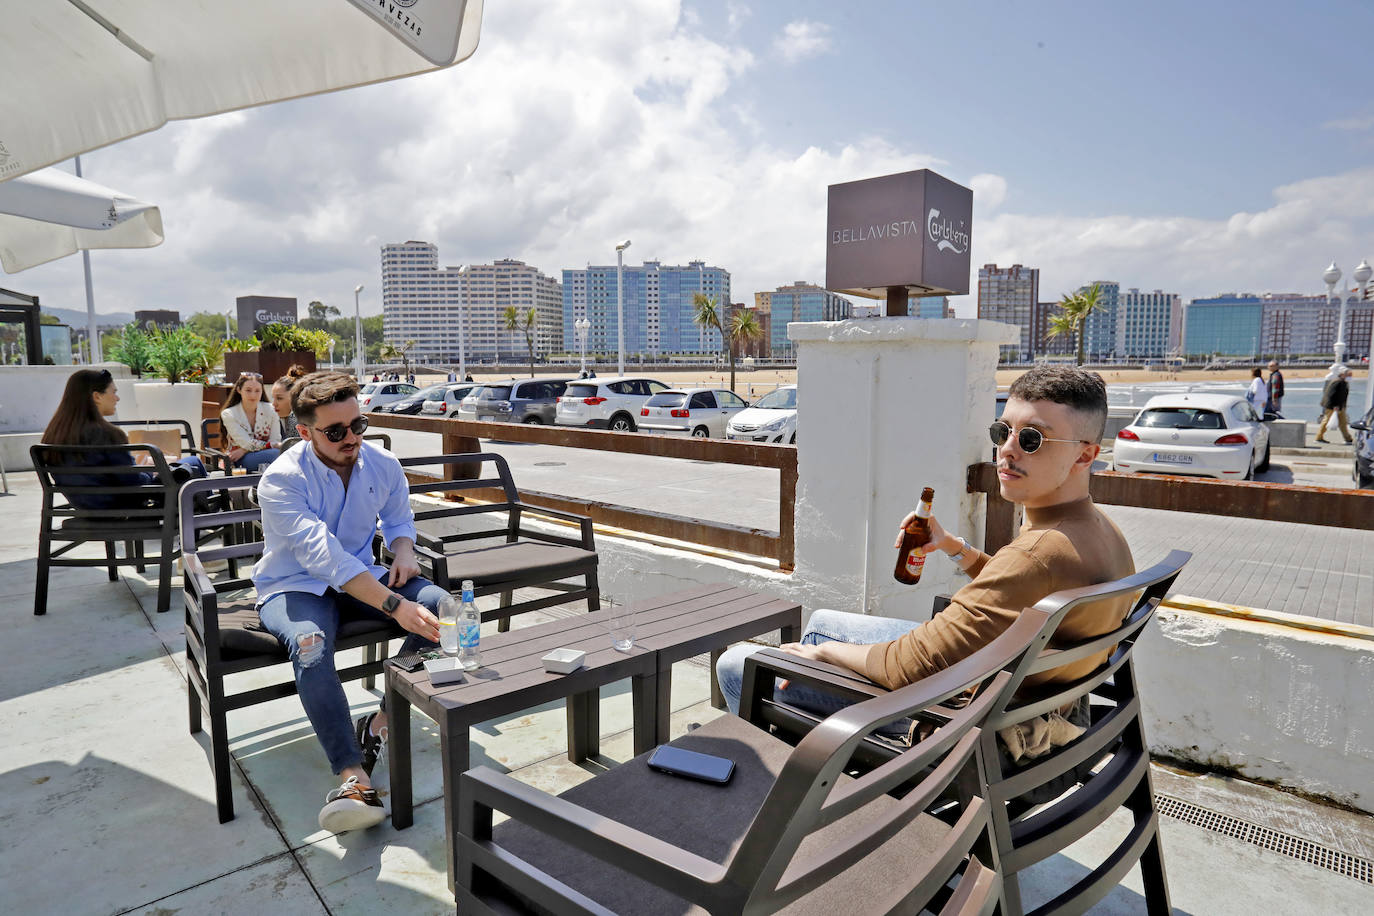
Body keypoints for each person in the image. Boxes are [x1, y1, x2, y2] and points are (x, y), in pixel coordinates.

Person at [717, 366, 1134, 761]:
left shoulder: (1039, 552)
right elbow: (1022, 590)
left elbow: (912, 665)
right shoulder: (1098, 532)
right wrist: (954, 547)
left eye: (1032, 440)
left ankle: (785, 791)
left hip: (958, 714)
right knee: (822, 619)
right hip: (1017, 693)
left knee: (741, 665)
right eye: (1002, 431)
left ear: (1085, 455)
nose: (1006, 450)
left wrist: (826, 654)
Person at [254, 371, 444, 833]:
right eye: (335, 431)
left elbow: (400, 518)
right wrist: (396, 606)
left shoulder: (381, 463)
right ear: (304, 432)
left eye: (357, 425)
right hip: (293, 585)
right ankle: (353, 776)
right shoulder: (281, 480)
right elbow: (325, 558)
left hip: (363, 580)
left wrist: (402, 551)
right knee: (311, 641)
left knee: (444, 608)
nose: (351, 438)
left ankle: (381, 721)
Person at [41, 368, 206, 510]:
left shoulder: (54, 435)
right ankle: (211, 518)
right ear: (97, 396)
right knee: (193, 463)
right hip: (124, 506)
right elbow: (135, 483)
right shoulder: (106, 434)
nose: (117, 398)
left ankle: (203, 517)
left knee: (181, 469)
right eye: (114, 392)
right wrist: (152, 471)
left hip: (85, 506)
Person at [220, 372, 282, 471]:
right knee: (276, 454)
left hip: (263, 454)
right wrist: (270, 445)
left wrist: (243, 450)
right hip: (238, 460)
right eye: (248, 390)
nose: (253, 395)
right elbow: (246, 443)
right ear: (239, 390)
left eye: (257, 391)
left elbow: (275, 440)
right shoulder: (229, 414)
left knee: (278, 454)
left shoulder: (271, 410)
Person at [1316, 365, 1354, 444]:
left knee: (1343, 422)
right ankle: (1319, 437)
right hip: (1333, 406)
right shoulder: (1338, 382)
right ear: (1343, 374)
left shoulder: (1342, 382)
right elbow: (1332, 395)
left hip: (1339, 406)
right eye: (1348, 374)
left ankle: (1348, 438)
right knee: (1326, 421)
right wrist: (1335, 406)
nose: (1349, 375)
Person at [270, 365, 307, 442]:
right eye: (273, 398)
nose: (274, 404)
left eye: (279, 398)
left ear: (294, 397)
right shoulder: (269, 418)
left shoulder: (302, 420)